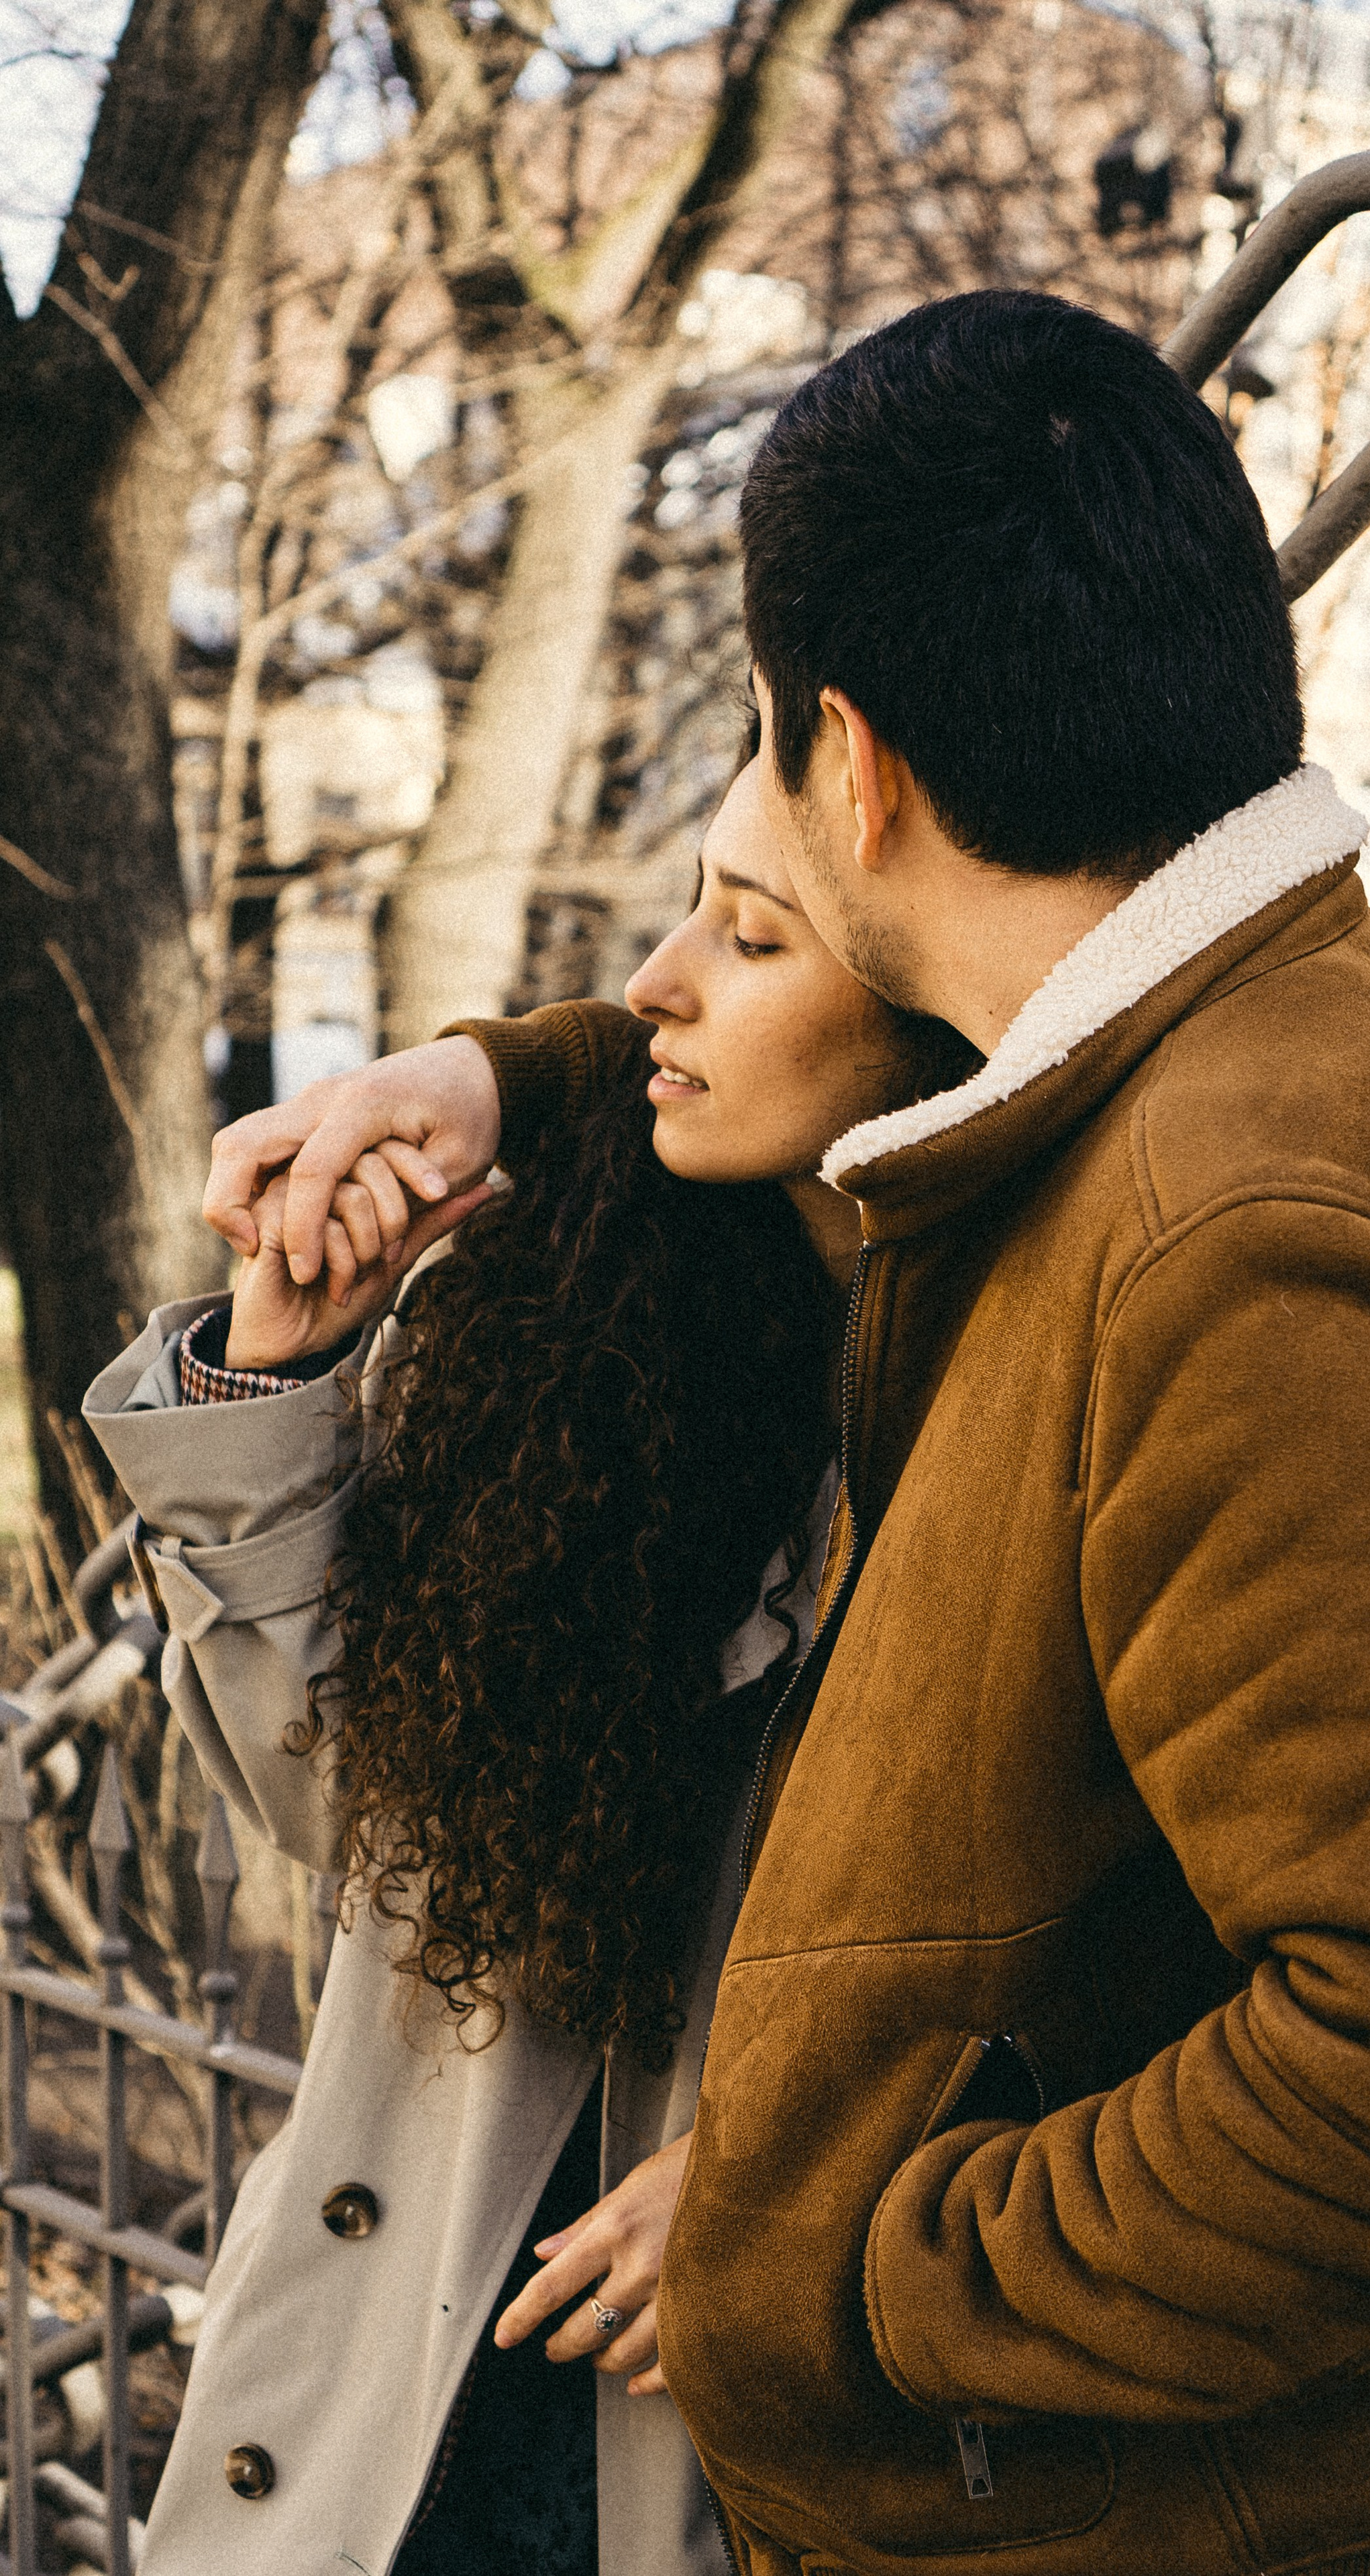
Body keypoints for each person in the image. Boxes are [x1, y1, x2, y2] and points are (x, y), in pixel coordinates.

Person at [207, 290, 1370, 2576]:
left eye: (773, 767)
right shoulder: (1236, 1050)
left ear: (858, 764)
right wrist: (519, 1080)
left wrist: (832, 2259)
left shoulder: (1227, 1228)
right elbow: (860, 1083)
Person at [85, 761, 972, 2576]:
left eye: (748, 935)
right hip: (396, 2413)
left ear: (937, 1010)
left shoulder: (1030, 1414)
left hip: (740, 2446)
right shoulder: (595, 1314)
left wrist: (803, 2193)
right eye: (687, 911)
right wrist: (273, 1390)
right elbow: (380, 1827)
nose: (651, 983)